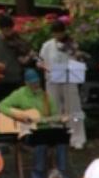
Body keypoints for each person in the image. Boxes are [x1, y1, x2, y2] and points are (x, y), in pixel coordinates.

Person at [0, 68, 66, 178]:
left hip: (45, 129)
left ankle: (60, 174)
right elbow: (0, 106)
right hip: (27, 132)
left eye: (37, 82)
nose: (36, 85)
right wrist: (19, 116)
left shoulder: (45, 96)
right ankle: (37, 173)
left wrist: (60, 119)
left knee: (62, 138)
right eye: (33, 83)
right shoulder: (20, 94)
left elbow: (54, 115)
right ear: (26, 83)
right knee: (41, 140)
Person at [36, 21, 86, 150]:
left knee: (74, 109)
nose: (58, 35)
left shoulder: (72, 44)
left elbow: (78, 59)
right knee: (54, 108)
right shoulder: (47, 45)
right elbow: (40, 61)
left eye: (60, 32)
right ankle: (56, 137)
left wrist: (77, 54)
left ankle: (77, 138)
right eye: (55, 33)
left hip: (69, 80)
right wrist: (43, 66)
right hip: (52, 80)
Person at [0, 13, 34, 102]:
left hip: (16, 80)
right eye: (6, 30)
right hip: (0, 81)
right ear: (1, 29)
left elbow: (23, 61)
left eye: (10, 29)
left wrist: (30, 55)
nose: (9, 32)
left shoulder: (17, 39)